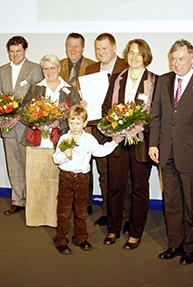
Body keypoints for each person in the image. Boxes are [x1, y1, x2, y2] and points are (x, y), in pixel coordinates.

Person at [149, 39, 193, 265]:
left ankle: (189, 248)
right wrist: (153, 144)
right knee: (172, 202)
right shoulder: (163, 81)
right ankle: (174, 244)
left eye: (181, 59)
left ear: (192, 58)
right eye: (173, 59)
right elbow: (156, 116)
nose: (177, 63)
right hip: (165, 153)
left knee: (191, 204)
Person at [102, 39, 158, 249]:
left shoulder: (155, 81)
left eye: (138, 53)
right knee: (115, 187)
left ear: (146, 56)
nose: (134, 57)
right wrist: (115, 126)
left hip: (141, 143)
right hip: (117, 141)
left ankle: (135, 232)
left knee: (139, 189)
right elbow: (107, 107)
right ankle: (114, 228)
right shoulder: (117, 79)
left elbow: (156, 113)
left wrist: (139, 126)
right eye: (131, 52)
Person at [52, 105, 124, 255]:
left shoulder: (89, 139)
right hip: (66, 177)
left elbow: (100, 152)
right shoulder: (65, 138)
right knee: (64, 211)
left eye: (78, 123)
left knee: (81, 210)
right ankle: (61, 239)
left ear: (85, 123)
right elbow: (56, 159)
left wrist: (114, 142)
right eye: (71, 122)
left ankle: (80, 237)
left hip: (83, 179)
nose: (74, 126)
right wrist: (65, 154)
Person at [21, 54, 80, 227]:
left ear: (59, 69)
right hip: (36, 141)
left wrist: (60, 122)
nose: (49, 72)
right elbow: (24, 111)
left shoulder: (70, 89)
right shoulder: (35, 87)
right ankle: (35, 218)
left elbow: (75, 114)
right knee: (34, 181)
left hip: (59, 142)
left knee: (56, 184)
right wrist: (35, 122)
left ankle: (55, 219)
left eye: (52, 68)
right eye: (45, 68)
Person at [85, 33, 129, 227]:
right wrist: (84, 103)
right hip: (99, 129)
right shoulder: (90, 69)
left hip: (120, 130)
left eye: (104, 48)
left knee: (122, 175)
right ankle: (107, 213)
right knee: (104, 173)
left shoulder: (126, 67)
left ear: (114, 48)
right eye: (98, 49)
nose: (101, 52)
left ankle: (126, 216)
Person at [0, 36, 43, 215]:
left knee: (28, 163)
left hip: (26, 125)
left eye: (18, 50)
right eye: (12, 51)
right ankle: (17, 200)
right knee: (13, 163)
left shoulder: (34, 69)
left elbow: (37, 98)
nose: (15, 54)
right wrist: (1, 118)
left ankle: (31, 200)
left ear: (25, 50)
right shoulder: (1, 70)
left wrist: (19, 117)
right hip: (7, 125)